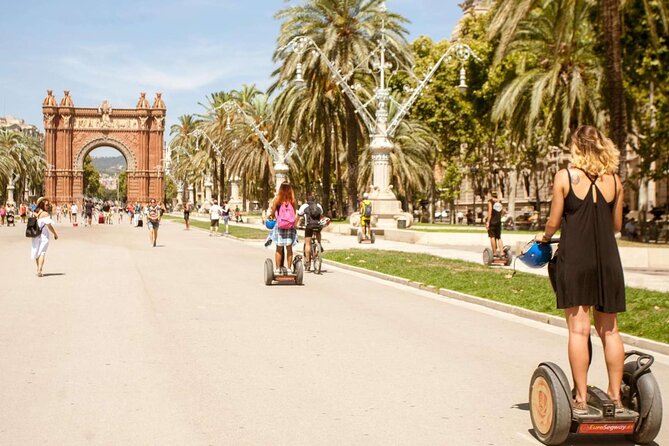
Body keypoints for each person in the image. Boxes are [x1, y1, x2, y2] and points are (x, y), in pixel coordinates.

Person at [536, 125, 625, 415]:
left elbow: (553, 221)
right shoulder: (615, 181)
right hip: (608, 260)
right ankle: (615, 396)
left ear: (576, 147)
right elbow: (616, 226)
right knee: (610, 330)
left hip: (576, 258)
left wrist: (545, 238)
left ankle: (582, 398)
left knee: (578, 329)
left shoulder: (564, 177)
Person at [269, 182, 298, 274]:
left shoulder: (277, 199)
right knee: (289, 248)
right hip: (290, 226)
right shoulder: (292, 200)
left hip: (280, 226)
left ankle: (277, 269)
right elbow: (294, 212)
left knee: (279, 248)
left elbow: (273, 212)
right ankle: (289, 269)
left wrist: (272, 216)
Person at [30, 197, 59, 277]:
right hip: (43, 235)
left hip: (35, 234)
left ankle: (38, 269)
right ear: (42, 205)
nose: (48, 206)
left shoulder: (35, 212)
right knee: (42, 253)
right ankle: (39, 270)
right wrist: (55, 234)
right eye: (46, 205)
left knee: (36, 252)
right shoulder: (45, 214)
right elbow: (49, 226)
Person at [297, 193, 324, 269]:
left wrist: (297, 224)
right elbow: (321, 214)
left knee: (307, 244)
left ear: (307, 200)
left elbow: (299, 215)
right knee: (318, 231)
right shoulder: (318, 206)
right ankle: (319, 244)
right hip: (318, 225)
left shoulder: (304, 206)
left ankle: (308, 262)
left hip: (309, 226)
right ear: (314, 200)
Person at [486, 192, 504, 256]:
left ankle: (494, 252)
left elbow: (490, 213)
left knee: (492, 237)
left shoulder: (490, 202)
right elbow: (502, 212)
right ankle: (502, 252)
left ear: (491, 195)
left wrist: (488, 222)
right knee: (499, 237)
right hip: (498, 221)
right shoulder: (499, 202)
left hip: (492, 222)